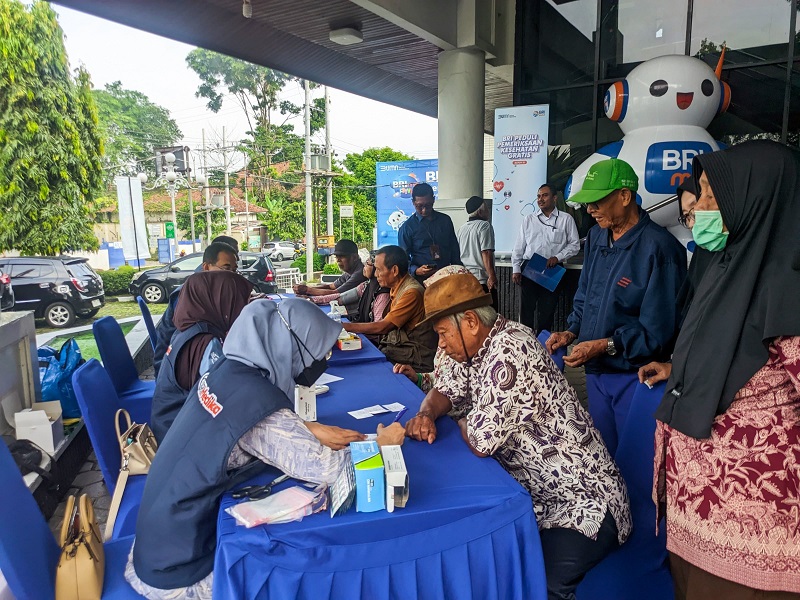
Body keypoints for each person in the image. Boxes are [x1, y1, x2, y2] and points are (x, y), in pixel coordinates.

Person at [127, 299, 406, 599]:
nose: (321, 359)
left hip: (156, 543)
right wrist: (383, 445)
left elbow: (244, 429)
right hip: (179, 573)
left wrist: (305, 428)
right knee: (304, 574)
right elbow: (331, 470)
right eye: (318, 349)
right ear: (287, 345)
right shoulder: (257, 404)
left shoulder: (225, 370)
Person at [404, 272, 631, 600]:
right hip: (539, 500)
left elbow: (480, 441)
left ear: (469, 321)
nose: (440, 344)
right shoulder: (475, 348)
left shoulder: (509, 351)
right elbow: (447, 390)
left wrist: (462, 417)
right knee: (493, 560)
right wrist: (427, 413)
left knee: (536, 584)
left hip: (585, 504)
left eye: (442, 334)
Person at [653, 141, 800, 598]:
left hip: (752, 517)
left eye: (716, 197)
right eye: (703, 194)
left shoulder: (788, 286)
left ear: (755, 201)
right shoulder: (726, 265)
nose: (702, 208)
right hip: (696, 507)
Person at [546, 159, 686, 456]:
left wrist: (606, 345)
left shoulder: (660, 249)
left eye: (597, 201)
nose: (590, 209)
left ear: (625, 196)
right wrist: (571, 331)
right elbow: (586, 293)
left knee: (635, 463)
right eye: (587, 203)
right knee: (603, 457)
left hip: (635, 377)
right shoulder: (597, 236)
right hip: (596, 374)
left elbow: (658, 333)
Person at [150, 270, 252, 443]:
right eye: (240, 300)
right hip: (183, 441)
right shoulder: (206, 343)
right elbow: (228, 397)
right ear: (221, 301)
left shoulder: (186, 331)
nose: (244, 308)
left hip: (169, 427)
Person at [638, 176, 716, 387]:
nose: (694, 220)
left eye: (708, 198)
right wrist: (676, 366)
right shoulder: (704, 258)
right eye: (687, 216)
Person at [153, 237, 240, 377]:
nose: (231, 275)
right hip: (174, 373)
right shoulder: (188, 296)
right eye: (226, 268)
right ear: (206, 267)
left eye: (234, 269)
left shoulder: (210, 290)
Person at [342, 245, 437, 371]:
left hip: (412, 361)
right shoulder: (396, 289)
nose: (376, 274)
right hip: (398, 352)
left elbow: (383, 326)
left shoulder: (411, 292)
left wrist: (343, 327)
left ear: (395, 270)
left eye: (379, 270)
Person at [511, 183, 580, 333]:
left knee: (547, 310)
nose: (540, 199)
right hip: (530, 267)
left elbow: (575, 245)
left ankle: (543, 344)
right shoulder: (529, 219)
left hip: (553, 269)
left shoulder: (566, 219)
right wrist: (516, 268)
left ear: (555, 198)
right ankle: (526, 342)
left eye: (545, 195)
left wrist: (558, 257)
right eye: (538, 196)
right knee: (526, 310)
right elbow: (519, 246)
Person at [393, 265, 471, 392]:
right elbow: (440, 378)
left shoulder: (477, 343)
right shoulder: (446, 333)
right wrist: (418, 378)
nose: (441, 342)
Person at [397, 182, 461, 283]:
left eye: (428, 205)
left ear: (433, 199)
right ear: (413, 202)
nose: (424, 210)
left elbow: (454, 249)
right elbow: (402, 259)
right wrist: (416, 270)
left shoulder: (445, 220)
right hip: (422, 280)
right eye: (419, 206)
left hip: (447, 276)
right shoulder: (407, 228)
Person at [456, 196, 498, 307]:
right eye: (487, 209)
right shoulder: (485, 226)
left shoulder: (462, 229)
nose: (488, 211)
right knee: (489, 318)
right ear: (480, 211)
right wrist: (492, 276)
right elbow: (486, 252)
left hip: (466, 280)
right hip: (482, 281)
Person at [293, 239, 366, 297]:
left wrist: (307, 290)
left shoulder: (360, 273)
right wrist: (307, 288)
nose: (338, 260)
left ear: (355, 257)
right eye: (337, 257)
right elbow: (331, 286)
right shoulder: (349, 272)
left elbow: (335, 293)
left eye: (342, 256)